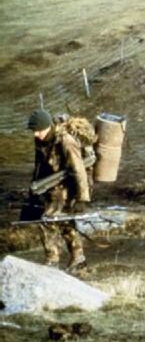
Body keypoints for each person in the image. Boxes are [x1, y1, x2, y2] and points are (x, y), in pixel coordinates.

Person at [24, 109, 91, 270]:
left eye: (38, 130)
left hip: (70, 184)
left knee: (47, 220)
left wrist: (83, 198)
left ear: (48, 126)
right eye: (34, 131)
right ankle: (78, 257)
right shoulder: (41, 140)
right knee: (64, 221)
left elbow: (79, 170)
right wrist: (34, 189)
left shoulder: (66, 141)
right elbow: (39, 165)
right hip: (52, 184)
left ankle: (52, 260)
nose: (36, 134)